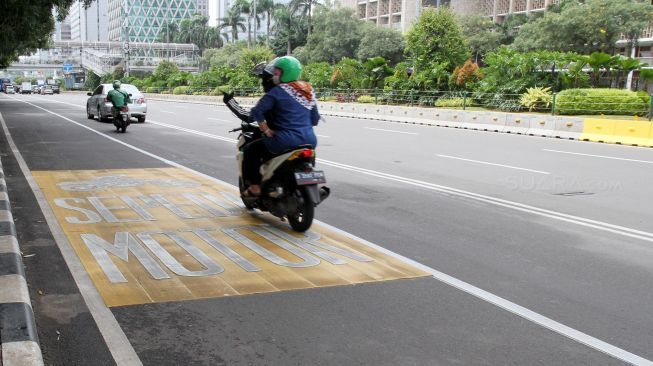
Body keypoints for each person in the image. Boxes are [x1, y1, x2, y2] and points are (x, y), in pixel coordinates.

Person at [239, 56, 321, 197]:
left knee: (250, 150)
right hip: (309, 140)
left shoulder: (276, 92)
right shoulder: (308, 91)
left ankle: (255, 187)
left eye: (277, 72)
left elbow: (257, 112)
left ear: (285, 73)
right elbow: (315, 120)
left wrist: (266, 129)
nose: (275, 76)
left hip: (284, 141)